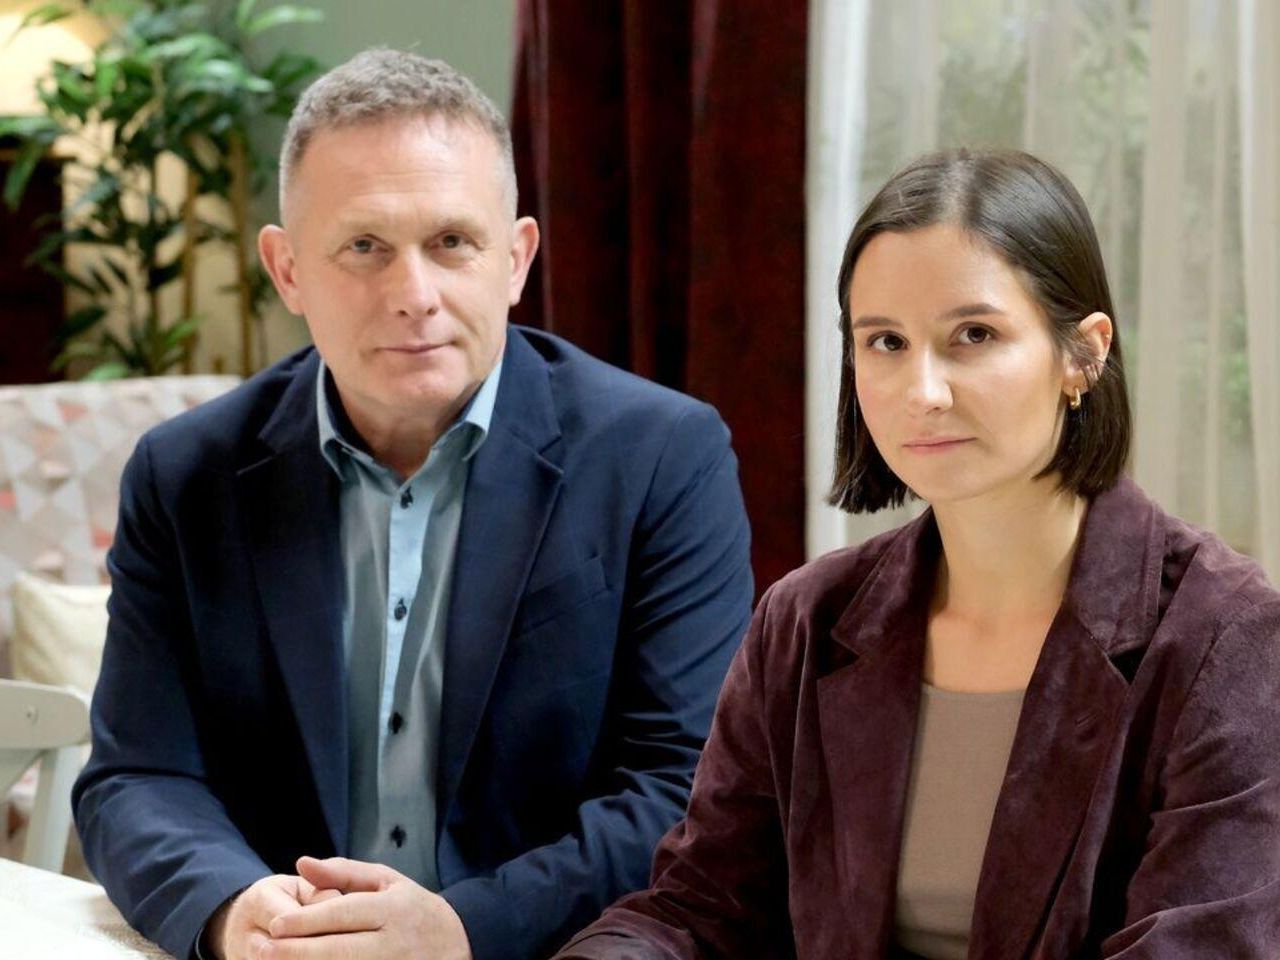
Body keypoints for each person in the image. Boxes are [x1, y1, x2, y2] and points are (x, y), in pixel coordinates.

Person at [72, 49, 753, 960]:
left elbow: (686, 791)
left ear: (515, 260)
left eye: (452, 243)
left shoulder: (663, 456)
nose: (414, 296)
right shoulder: (184, 474)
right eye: (364, 247)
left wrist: (464, 928)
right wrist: (235, 911)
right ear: (286, 270)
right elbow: (136, 775)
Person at [555, 149, 1280, 959]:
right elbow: (699, 912)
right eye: (886, 342)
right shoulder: (806, 619)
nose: (922, 391)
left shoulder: (1229, 639)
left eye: (974, 335)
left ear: (1084, 354)